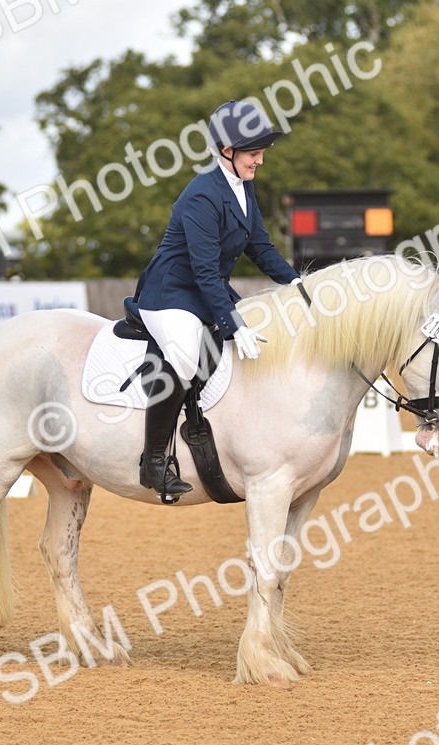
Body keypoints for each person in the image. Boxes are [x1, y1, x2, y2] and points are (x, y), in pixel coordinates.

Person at [132, 100, 305, 502]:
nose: (260, 160)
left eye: (261, 152)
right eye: (253, 153)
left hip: (206, 290)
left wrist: (297, 283)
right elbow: (205, 270)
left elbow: (260, 247)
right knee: (185, 358)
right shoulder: (202, 195)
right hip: (171, 293)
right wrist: (233, 323)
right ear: (227, 150)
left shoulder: (242, 186)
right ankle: (153, 462)